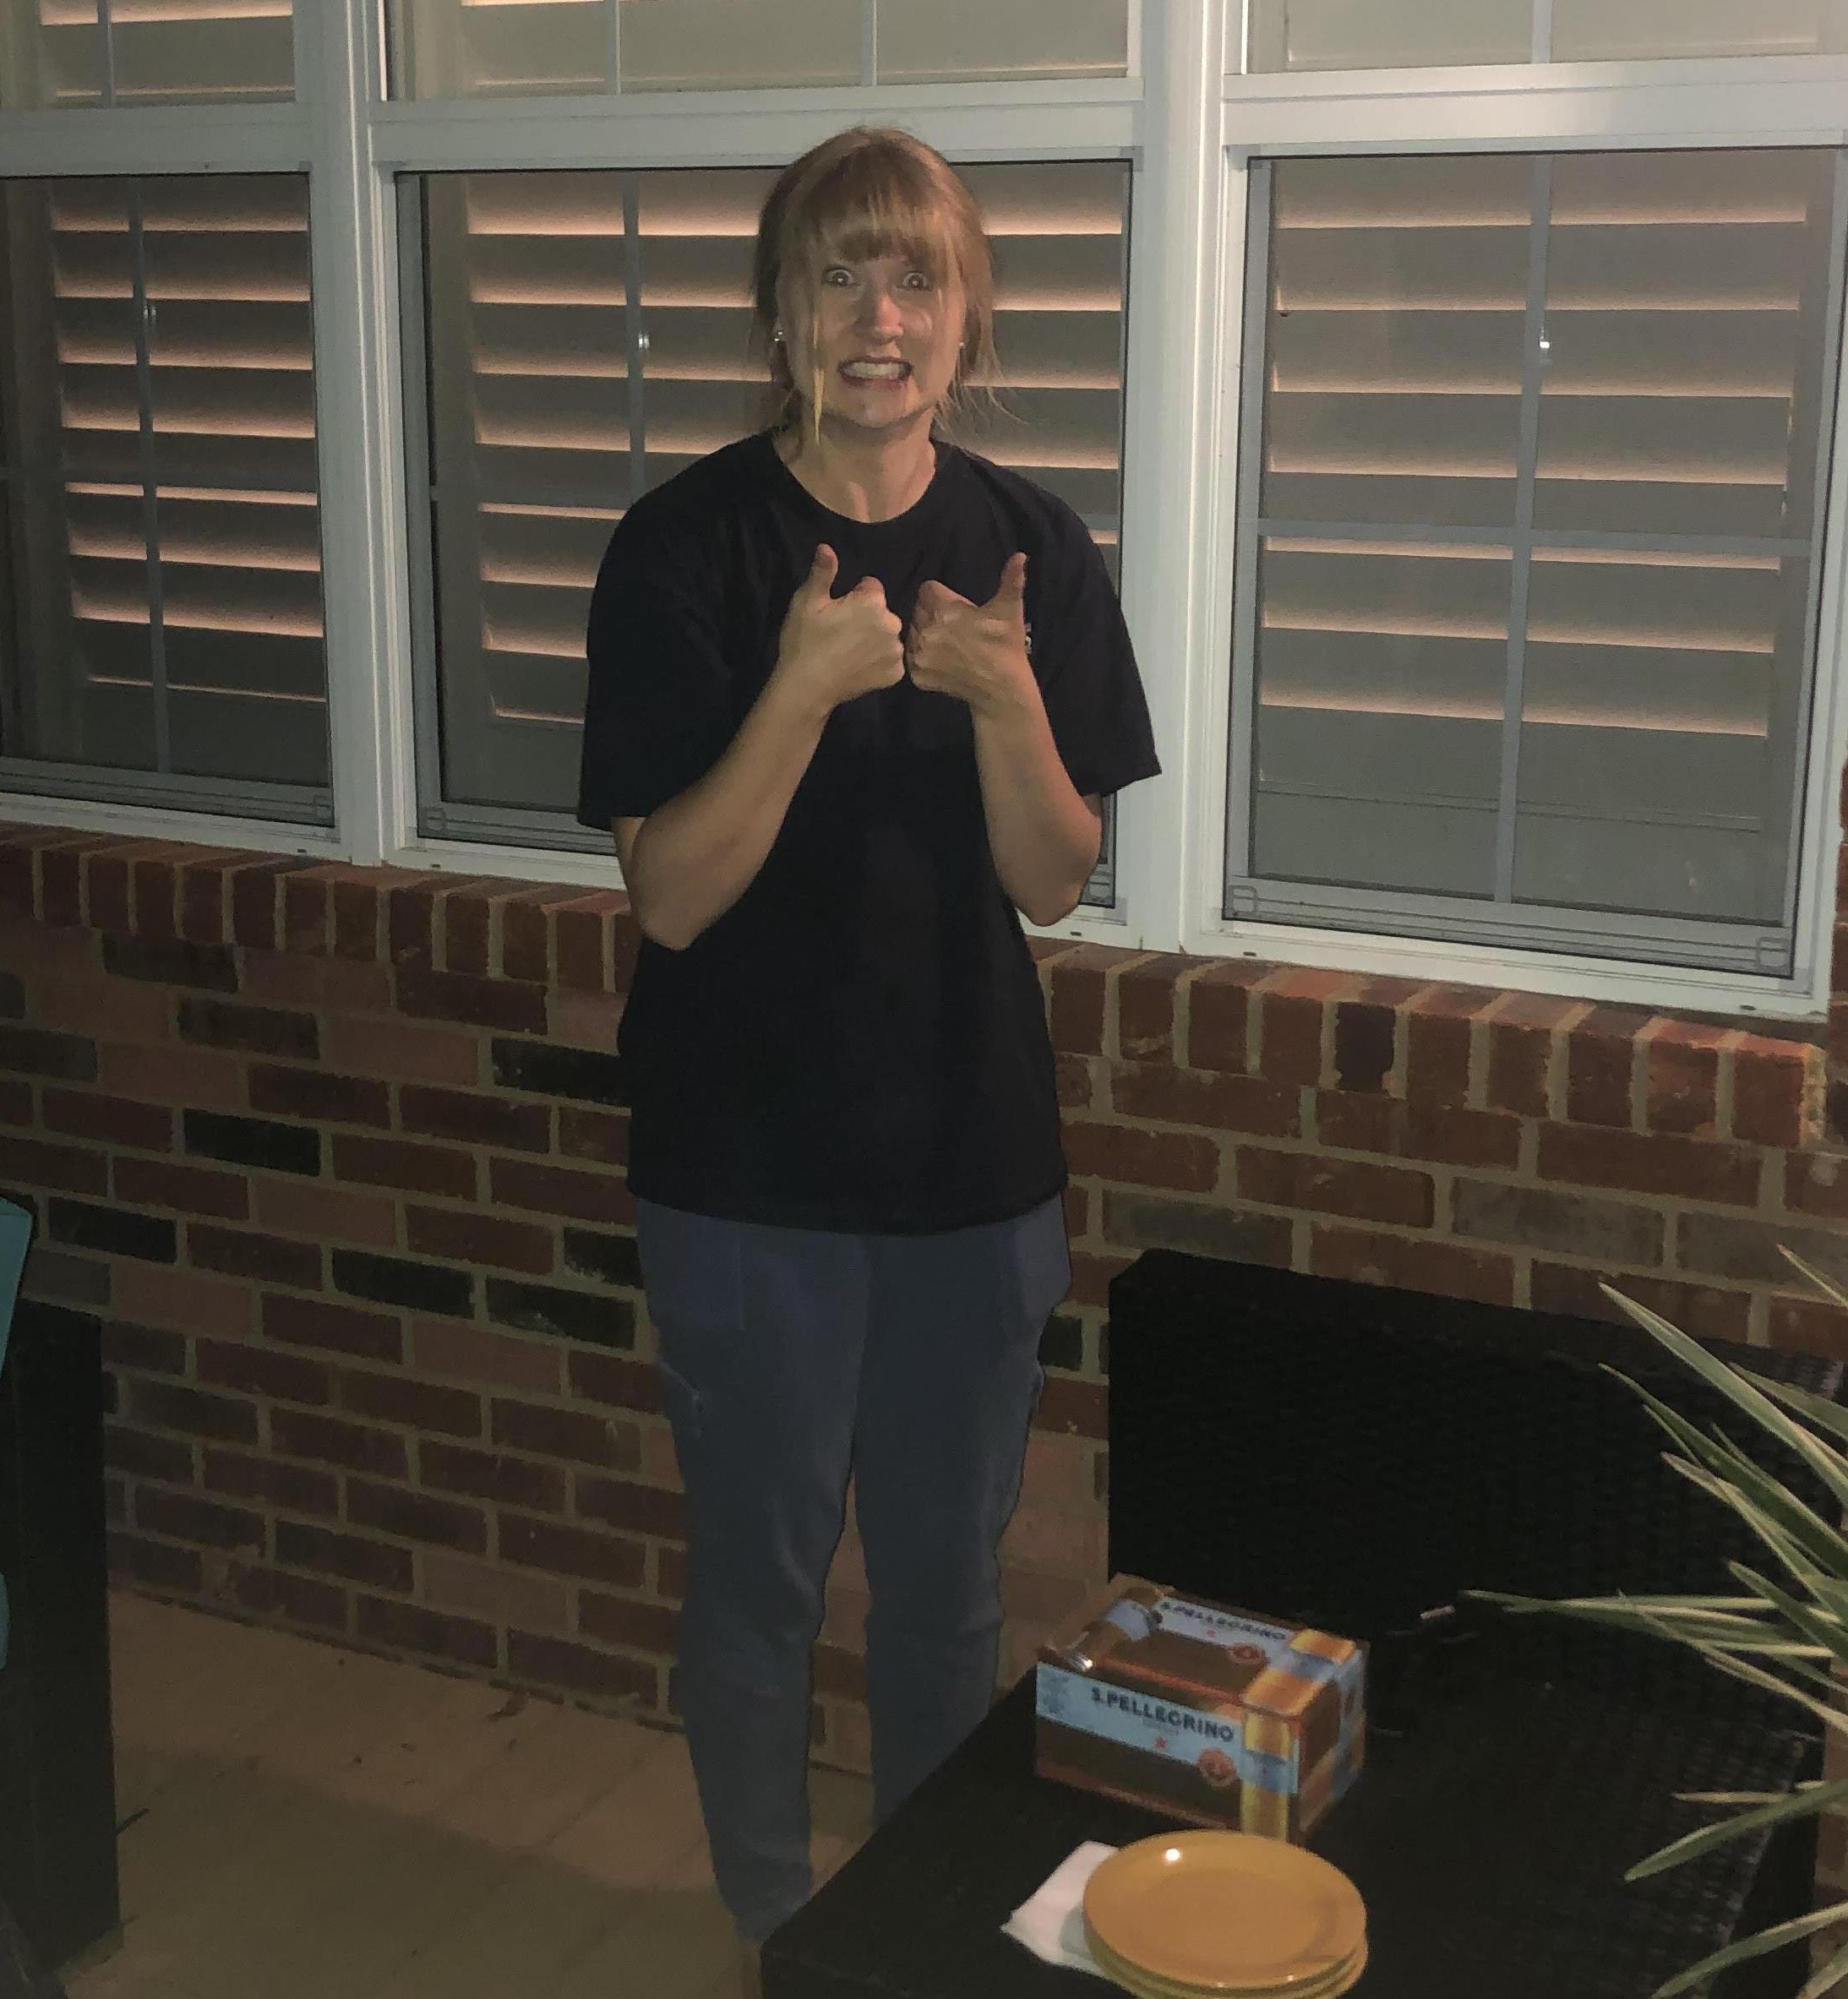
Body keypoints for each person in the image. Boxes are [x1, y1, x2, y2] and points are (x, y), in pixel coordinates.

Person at [575, 126, 1159, 1985]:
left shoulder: (1032, 549)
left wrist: (1004, 700)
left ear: (967, 315)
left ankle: (907, 1926)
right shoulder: (682, 548)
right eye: (839, 275)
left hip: (970, 1174)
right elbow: (671, 894)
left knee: (942, 1590)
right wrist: (803, 687)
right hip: (743, 1179)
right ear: (780, 312)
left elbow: (1054, 879)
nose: (878, 317)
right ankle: (773, 1920)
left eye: (915, 278)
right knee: (756, 1586)